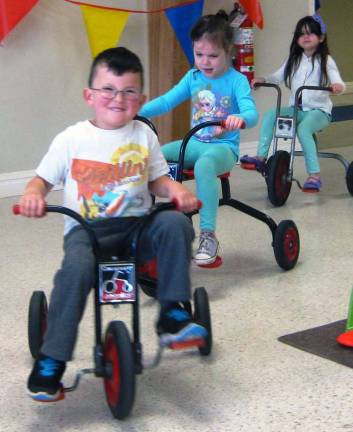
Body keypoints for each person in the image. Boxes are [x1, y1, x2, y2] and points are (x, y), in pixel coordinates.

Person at [18, 47, 207, 403]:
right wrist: (33, 194)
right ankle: (52, 359)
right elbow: (40, 181)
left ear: (141, 99)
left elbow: (158, 182)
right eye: (108, 89)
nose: (117, 99)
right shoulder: (72, 138)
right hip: (87, 232)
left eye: (128, 91)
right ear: (90, 95)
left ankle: (172, 312)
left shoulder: (144, 135)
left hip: (138, 228)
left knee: (176, 224)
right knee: (74, 270)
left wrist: (177, 190)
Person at [139, 11, 258, 266]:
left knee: (205, 165)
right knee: (153, 156)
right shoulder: (193, 77)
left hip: (223, 148)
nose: (205, 61)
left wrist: (238, 118)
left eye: (213, 56)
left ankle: (208, 235)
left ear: (229, 52)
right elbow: (167, 101)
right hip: (194, 142)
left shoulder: (237, 81)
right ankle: (141, 222)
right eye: (199, 54)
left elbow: (252, 113)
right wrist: (137, 113)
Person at [240, 15, 346, 191]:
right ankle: (260, 158)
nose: (305, 37)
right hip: (296, 109)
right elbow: (277, 77)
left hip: (319, 112)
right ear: (297, 38)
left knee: (304, 129)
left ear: (321, 37)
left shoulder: (326, 60)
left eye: (311, 33)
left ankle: (314, 176)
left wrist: (336, 87)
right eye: (301, 34)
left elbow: (339, 83)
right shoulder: (293, 59)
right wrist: (262, 79)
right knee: (270, 115)